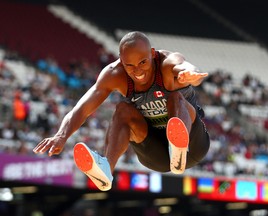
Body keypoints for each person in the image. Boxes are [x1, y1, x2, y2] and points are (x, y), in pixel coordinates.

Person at [33, 31, 210, 191]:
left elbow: (185, 66)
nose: (138, 71)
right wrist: (61, 135)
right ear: (121, 60)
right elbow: (83, 108)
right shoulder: (114, 74)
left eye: (143, 62)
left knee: (174, 97)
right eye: (130, 65)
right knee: (122, 110)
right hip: (155, 154)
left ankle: (177, 148)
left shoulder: (167, 62)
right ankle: (106, 168)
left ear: (152, 54)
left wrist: (190, 75)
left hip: (193, 145)